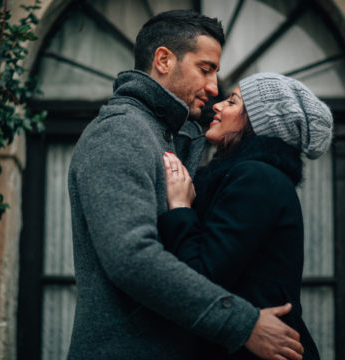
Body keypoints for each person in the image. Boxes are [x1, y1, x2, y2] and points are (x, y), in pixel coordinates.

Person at [67, 11, 304, 360]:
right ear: (163, 60)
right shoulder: (119, 132)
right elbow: (133, 258)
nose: (213, 87)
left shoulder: (178, 137)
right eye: (205, 69)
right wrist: (241, 323)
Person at [158, 72, 334, 360]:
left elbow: (200, 277)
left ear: (257, 122)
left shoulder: (255, 178)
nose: (218, 105)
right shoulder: (249, 176)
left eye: (233, 101)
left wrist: (179, 207)